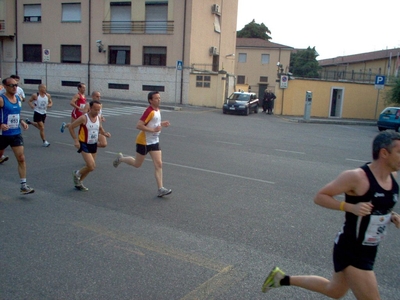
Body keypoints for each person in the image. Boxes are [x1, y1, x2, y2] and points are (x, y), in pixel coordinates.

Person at [262, 131, 400, 299]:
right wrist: (350, 207)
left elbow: (378, 205)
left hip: (370, 248)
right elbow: (320, 196)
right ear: (384, 153)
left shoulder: (392, 176)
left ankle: (281, 279)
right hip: (352, 249)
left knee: (334, 291)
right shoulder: (357, 177)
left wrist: (391, 216)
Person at [113, 91, 172, 197]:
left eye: (159, 98)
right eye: (156, 98)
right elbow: (139, 125)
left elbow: (153, 123)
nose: (159, 99)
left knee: (159, 164)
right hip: (143, 141)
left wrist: (162, 124)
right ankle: (121, 159)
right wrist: (153, 129)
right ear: (150, 100)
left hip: (154, 141)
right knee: (137, 164)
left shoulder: (157, 110)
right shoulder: (149, 111)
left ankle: (160, 189)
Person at [0, 77, 34, 194]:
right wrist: (0, 124)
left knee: (21, 158)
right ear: (5, 87)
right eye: (12, 85)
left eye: (16, 85)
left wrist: (22, 121)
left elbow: (16, 113)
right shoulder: (1, 99)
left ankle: (23, 186)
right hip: (2, 134)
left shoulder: (18, 98)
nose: (15, 87)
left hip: (15, 133)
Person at [68, 100, 111, 191]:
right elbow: (71, 127)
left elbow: (100, 128)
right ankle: (77, 173)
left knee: (91, 167)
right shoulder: (84, 118)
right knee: (91, 166)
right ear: (90, 108)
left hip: (93, 144)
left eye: (99, 110)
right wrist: (76, 140)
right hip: (84, 144)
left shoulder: (98, 117)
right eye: (95, 109)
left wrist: (105, 133)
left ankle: (79, 182)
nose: (97, 111)